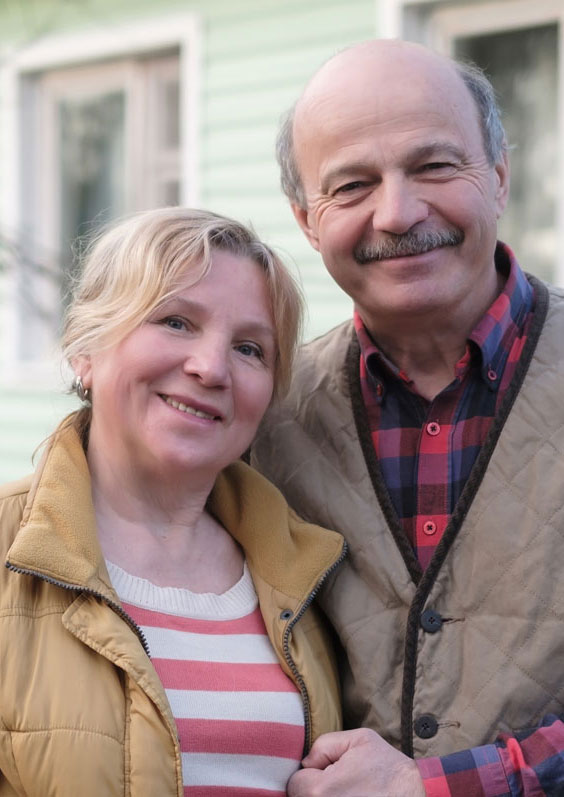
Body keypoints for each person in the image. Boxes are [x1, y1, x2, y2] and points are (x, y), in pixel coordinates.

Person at [251, 39, 564, 796]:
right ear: (304, 218)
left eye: (433, 166)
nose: (397, 212)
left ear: (497, 176)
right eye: (352, 185)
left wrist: (444, 785)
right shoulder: (264, 417)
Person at [0, 207, 345, 796]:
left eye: (249, 349)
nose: (211, 367)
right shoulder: (10, 545)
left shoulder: (304, 572)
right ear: (86, 351)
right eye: (176, 322)